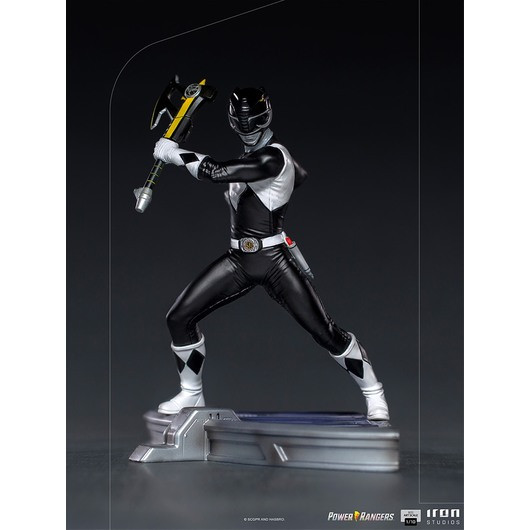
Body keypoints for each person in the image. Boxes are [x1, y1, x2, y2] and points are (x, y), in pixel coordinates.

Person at [150, 86, 390, 421]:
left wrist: (175, 153)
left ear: (265, 118)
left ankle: (374, 393)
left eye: (253, 121)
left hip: (274, 261)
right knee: (178, 317)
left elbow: (215, 172)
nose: (247, 128)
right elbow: (299, 176)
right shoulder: (260, 159)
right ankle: (191, 394)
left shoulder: (272, 158)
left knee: (325, 332)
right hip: (239, 260)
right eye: (242, 122)